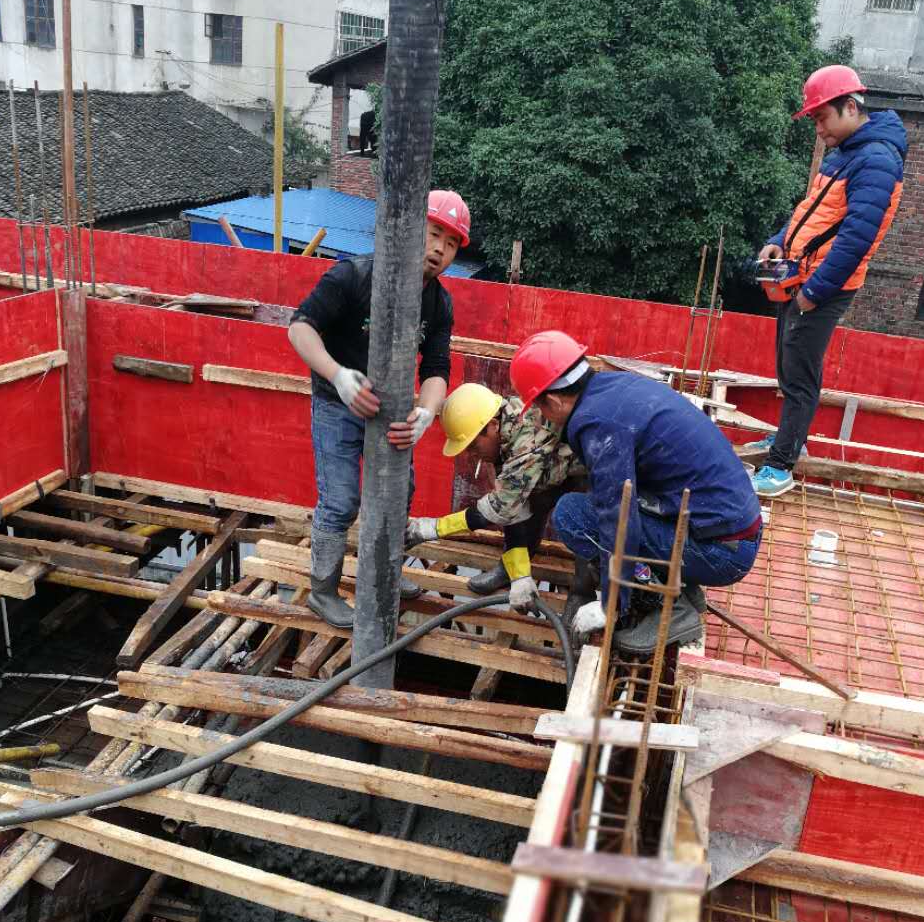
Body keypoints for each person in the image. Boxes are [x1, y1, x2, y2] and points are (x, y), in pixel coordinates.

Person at [510, 331, 762, 655]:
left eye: (540, 408)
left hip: (722, 554)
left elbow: (617, 517)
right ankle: (682, 589)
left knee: (572, 516)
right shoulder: (612, 389)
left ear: (555, 401)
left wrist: (609, 603)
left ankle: (672, 610)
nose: (543, 418)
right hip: (729, 532)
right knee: (598, 508)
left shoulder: (597, 423)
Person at [288, 189, 471, 628]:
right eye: (434, 234)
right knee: (341, 500)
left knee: (398, 491)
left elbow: (437, 368)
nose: (439, 249)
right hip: (337, 402)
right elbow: (300, 328)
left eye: (450, 243)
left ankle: (384, 571)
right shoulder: (354, 275)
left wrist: (426, 412)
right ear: (410, 229)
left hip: (391, 410)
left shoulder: (438, 303)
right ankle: (323, 591)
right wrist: (338, 375)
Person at [752, 65, 907, 499]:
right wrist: (778, 240)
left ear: (850, 107)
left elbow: (857, 239)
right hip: (802, 276)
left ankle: (781, 466)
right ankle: (790, 438)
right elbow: (813, 211)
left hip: (824, 286)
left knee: (800, 374)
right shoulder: (846, 153)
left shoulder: (876, 160)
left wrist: (814, 293)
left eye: (822, 118)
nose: (819, 129)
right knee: (789, 365)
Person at [404, 382, 576, 613]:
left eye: (473, 445)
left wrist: (431, 528)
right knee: (525, 498)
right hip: (558, 472)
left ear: (493, 426)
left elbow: (498, 508)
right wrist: (520, 576)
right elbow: (512, 511)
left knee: (579, 520)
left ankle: (581, 594)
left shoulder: (525, 442)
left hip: (592, 480)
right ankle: (511, 571)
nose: (472, 455)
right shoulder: (505, 429)